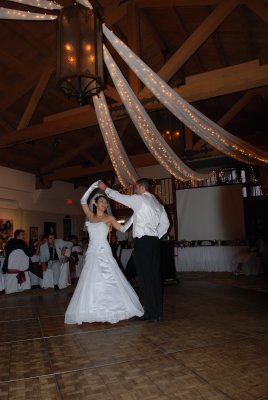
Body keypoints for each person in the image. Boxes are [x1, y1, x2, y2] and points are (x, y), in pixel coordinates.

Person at [64, 181, 144, 325]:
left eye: (106, 203)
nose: (104, 204)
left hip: (104, 251)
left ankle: (115, 308)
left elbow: (124, 229)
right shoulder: (90, 216)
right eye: (101, 201)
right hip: (92, 251)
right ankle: (92, 309)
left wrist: (135, 215)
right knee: (91, 278)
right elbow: (82, 200)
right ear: (95, 203)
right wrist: (92, 187)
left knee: (110, 277)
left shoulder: (110, 218)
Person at [98, 178, 170, 322]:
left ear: (141, 188)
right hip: (154, 242)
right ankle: (157, 313)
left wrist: (105, 188)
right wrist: (155, 235)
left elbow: (119, 197)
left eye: (136, 187)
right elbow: (166, 224)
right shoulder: (158, 204)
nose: (134, 190)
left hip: (143, 242)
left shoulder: (139, 200)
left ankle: (151, 313)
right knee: (155, 277)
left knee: (144, 278)